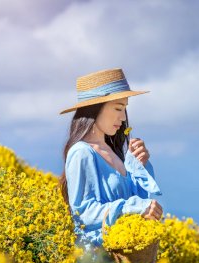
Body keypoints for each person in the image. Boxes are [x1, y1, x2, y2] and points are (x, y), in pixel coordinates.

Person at [58, 68, 163, 252]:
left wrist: (139, 165)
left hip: (122, 259)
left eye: (125, 109)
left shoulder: (114, 152)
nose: (123, 118)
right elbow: (83, 212)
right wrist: (134, 207)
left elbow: (136, 199)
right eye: (117, 108)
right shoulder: (82, 152)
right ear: (96, 108)